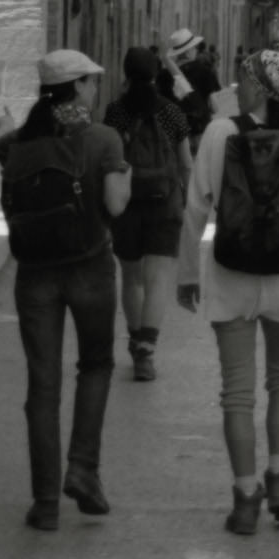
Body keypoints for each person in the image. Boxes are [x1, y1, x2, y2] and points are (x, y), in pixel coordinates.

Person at [178, 50, 279, 536]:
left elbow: (195, 209)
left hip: (231, 278)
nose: (239, 86)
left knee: (236, 392)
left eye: (246, 80)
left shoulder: (218, 133)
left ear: (263, 89)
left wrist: (187, 273)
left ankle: (246, 497)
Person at [0, 52, 130, 530]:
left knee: (42, 386)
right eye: (91, 83)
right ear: (80, 88)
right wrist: (122, 174)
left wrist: (6, 127)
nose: (95, 91)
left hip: (36, 274)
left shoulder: (20, 141)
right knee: (96, 365)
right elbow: (116, 204)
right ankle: (83, 471)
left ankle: (45, 503)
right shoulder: (104, 137)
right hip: (90, 268)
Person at [103, 48, 192, 380]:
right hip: (164, 203)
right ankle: (146, 350)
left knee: (132, 277)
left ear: (125, 73)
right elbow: (185, 163)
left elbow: (109, 159)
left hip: (126, 204)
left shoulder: (115, 112)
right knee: (158, 281)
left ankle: (134, 338)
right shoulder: (171, 112)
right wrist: (187, 201)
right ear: (157, 75)